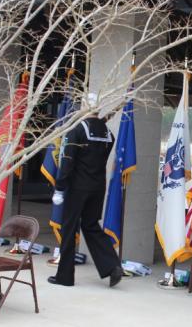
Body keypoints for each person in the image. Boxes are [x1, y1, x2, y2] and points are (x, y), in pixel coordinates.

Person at [48, 93, 122, 287]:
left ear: (84, 108)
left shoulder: (76, 130)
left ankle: (65, 276)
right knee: (91, 226)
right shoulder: (108, 133)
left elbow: (67, 162)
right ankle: (112, 265)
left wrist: (60, 187)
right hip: (97, 187)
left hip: (77, 188)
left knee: (69, 229)